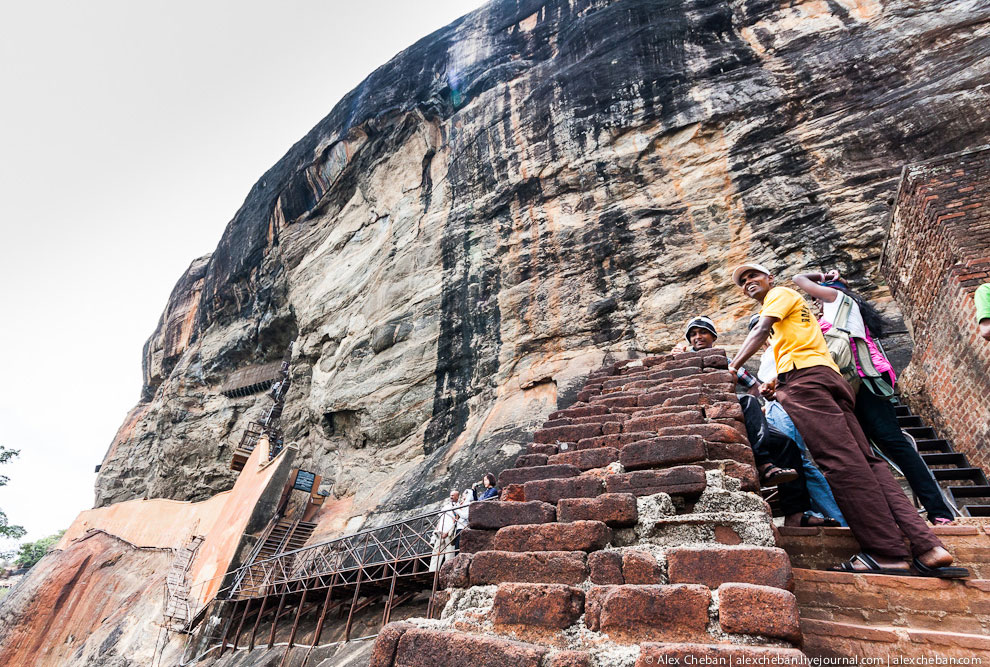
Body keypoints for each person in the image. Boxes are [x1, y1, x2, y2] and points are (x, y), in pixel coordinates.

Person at [728, 262, 965, 577]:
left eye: (753, 275)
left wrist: (733, 366)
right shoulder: (796, 314)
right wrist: (773, 384)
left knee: (839, 462)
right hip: (828, 379)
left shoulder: (779, 295)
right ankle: (929, 547)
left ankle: (886, 553)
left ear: (769, 278)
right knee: (870, 463)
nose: (748, 282)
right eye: (742, 281)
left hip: (805, 384)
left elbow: (760, 329)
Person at [792, 270, 955, 525]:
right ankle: (902, 515)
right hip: (849, 385)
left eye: (817, 296)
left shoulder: (838, 300)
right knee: (869, 450)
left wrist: (821, 276)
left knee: (894, 442)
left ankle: (939, 511)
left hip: (866, 379)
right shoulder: (834, 313)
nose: (815, 301)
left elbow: (798, 279)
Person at [684, 316, 837, 527]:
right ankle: (765, 464)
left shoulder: (726, 361)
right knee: (747, 401)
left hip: (731, 411)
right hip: (701, 412)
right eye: (693, 334)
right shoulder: (684, 357)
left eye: (703, 332)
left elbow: (754, 384)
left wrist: (758, 403)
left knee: (787, 445)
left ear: (713, 337)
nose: (697, 337)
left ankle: (795, 514)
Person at [752, 316, 847, 526]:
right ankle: (818, 513)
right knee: (794, 459)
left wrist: (774, 387)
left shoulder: (785, 345)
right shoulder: (768, 354)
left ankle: (841, 517)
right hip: (775, 405)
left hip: (785, 402)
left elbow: (789, 373)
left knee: (798, 459)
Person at [429, 489, 461, 572]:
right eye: (450, 495)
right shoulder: (446, 506)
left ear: (457, 497)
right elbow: (440, 520)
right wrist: (437, 530)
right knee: (435, 554)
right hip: (440, 533)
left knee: (449, 555)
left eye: (453, 495)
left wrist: (447, 532)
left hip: (449, 534)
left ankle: (447, 574)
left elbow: (456, 520)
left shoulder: (458, 506)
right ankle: (432, 572)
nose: (451, 497)